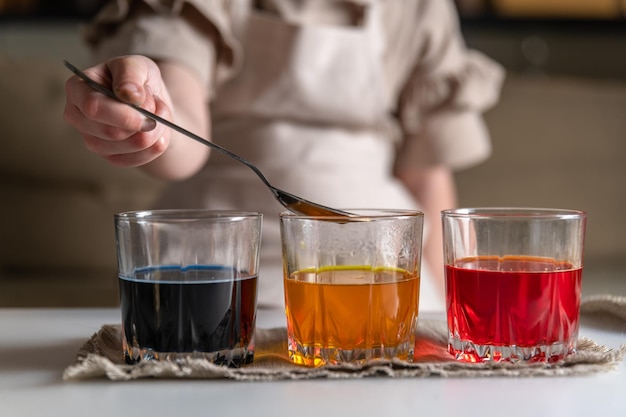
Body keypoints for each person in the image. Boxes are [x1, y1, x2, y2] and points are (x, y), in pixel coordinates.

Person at [64, 0, 504, 311]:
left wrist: (450, 313)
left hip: (385, 286)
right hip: (215, 282)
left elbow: (426, 177)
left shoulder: (420, 8)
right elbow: (184, 130)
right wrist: (150, 117)